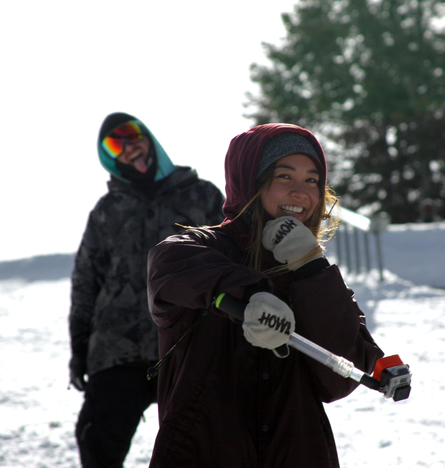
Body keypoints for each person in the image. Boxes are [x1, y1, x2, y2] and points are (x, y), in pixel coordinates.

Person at [146, 123, 384, 467]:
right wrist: (252, 294)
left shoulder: (314, 274)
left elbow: (338, 380)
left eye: (312, 180)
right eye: (284, 176)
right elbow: (170, 268)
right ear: (249, 182)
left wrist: (311, 267)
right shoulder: (200, 249)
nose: (301, 192)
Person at [68, 112, 225, 468]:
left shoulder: (201, 196)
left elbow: (233, 261)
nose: (127, 147)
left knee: (201, 445)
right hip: (118, 349)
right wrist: (80, 346)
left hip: (187, 344)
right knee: (96, 439)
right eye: (114, 144)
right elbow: (86, 280)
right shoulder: (108, 211)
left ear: (148, 137)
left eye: (131, 134)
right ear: (110, 158)